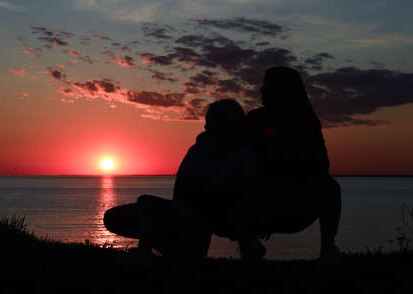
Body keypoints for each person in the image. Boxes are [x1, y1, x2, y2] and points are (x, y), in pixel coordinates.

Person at [131, 99, 252, 262]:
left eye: (211, 122)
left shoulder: (240, 153)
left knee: (146, 204)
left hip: (211, 216)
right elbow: (183, 186)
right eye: (207, 122)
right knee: (130, 211)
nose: (206, 127)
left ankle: (151, 254)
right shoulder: (199, 149)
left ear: (226, 123)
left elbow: (231, 191)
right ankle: (173, 250)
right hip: (188, 212)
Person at [243, 66, 342, 263]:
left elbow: (321, 165)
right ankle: (248, 242)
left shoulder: (306, 122)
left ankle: (328, 248)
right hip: (257, 199)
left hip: (296, 202)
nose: (260, 91)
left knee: (330, 187)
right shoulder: (254, 119)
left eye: (266, 87)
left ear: (281, 90)